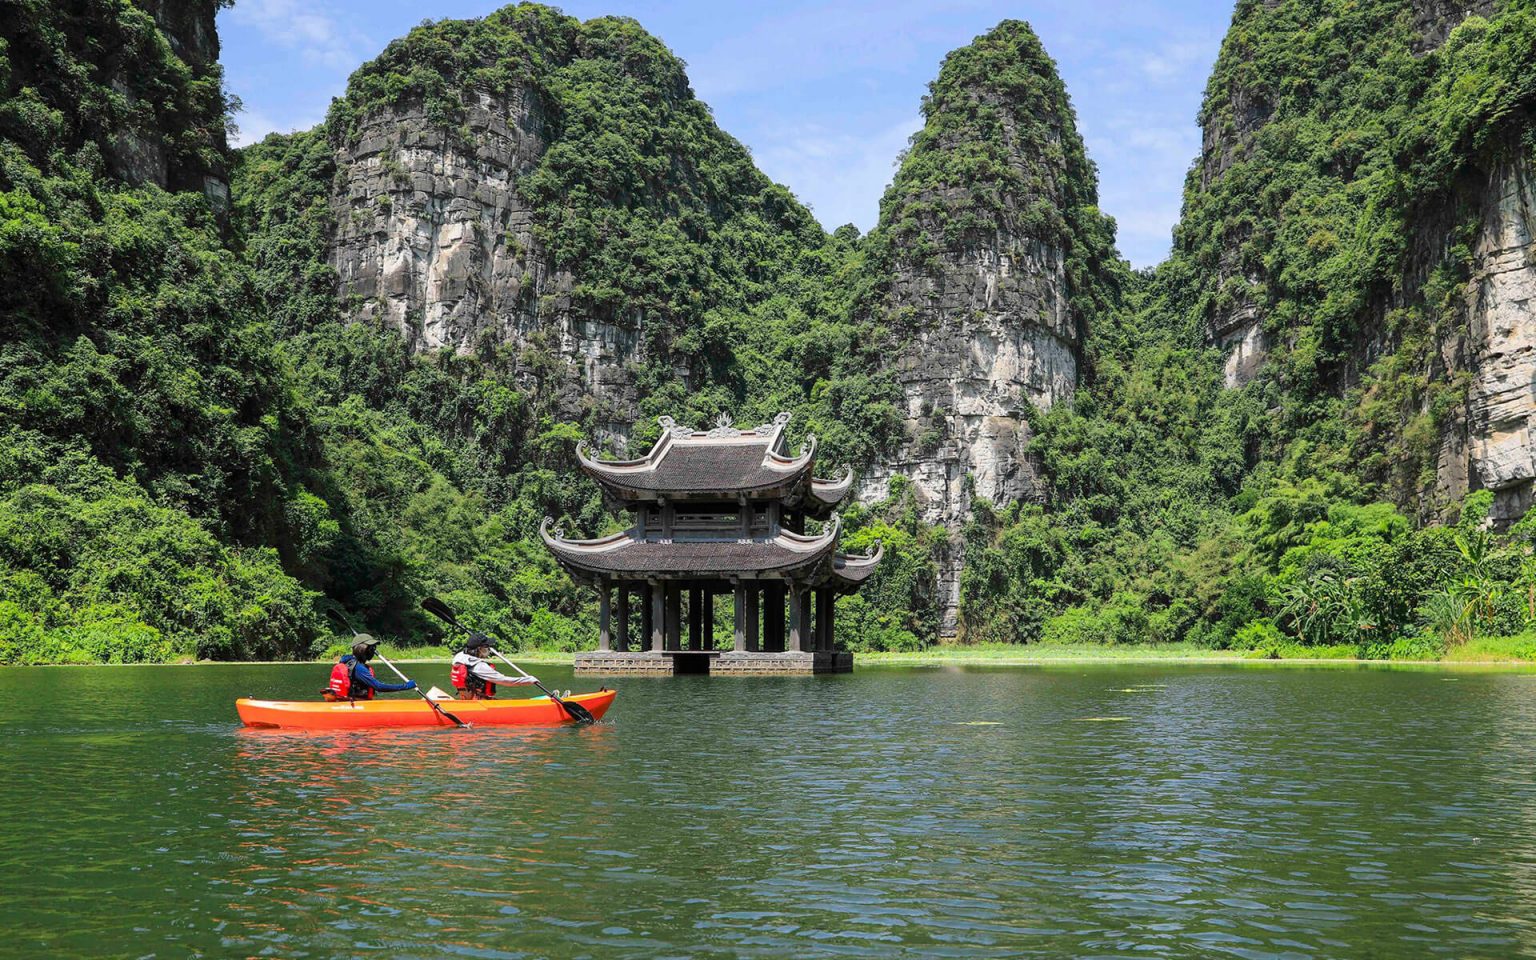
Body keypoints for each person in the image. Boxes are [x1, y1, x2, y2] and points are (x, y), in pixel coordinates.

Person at [323, 636, 417, 701]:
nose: (374, 651)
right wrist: (406, 686)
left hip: (350, 701)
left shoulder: (348, 661)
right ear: (363, 649)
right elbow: (379, 687)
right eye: (372, 648)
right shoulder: (359, 668)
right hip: (356, 704)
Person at [449, 635, 539, 700]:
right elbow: (505, 681)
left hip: (466, 697)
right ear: (480, 649)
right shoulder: (479, 666)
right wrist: (528, 680)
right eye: (487, 647)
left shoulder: (459, 656)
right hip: (479, 701)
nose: (489, 649)